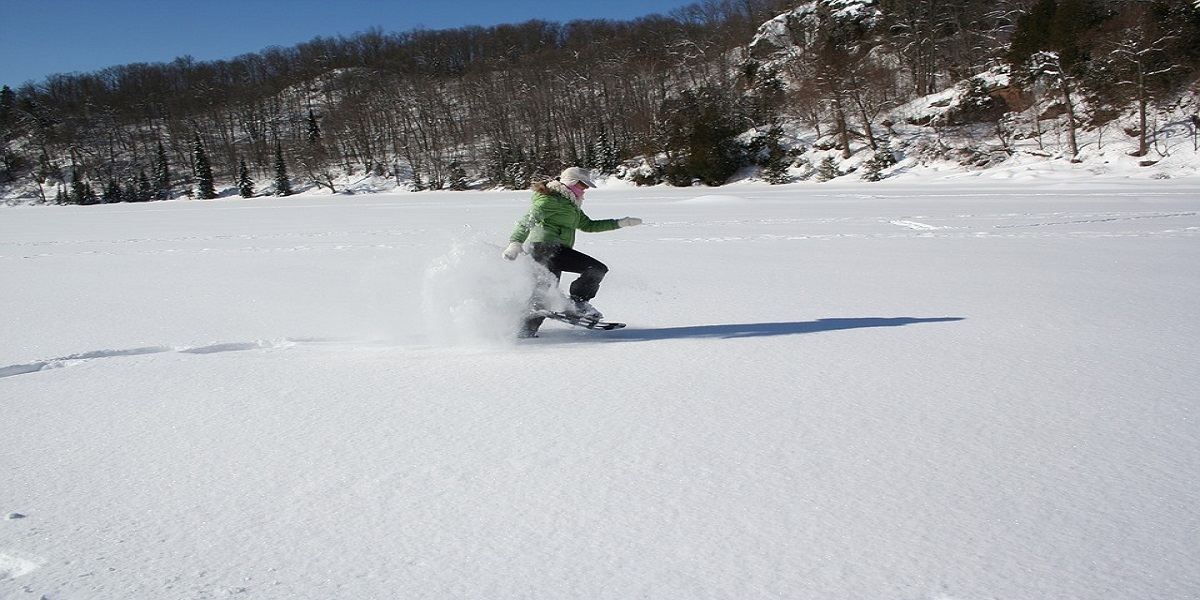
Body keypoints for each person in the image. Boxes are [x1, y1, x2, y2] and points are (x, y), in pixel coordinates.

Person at [502, 166, 643, 338]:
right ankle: (577, 303)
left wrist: (621, 223)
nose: (586, 188)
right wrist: (515, 242)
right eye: (583, 184)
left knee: (543, 296)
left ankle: (524, 333)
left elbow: (588, 225)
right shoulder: (550, 200)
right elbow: (527, 220)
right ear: (571, 182)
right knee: (596, 269)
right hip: (546, 248)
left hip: (556, 250)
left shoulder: (570, 204)